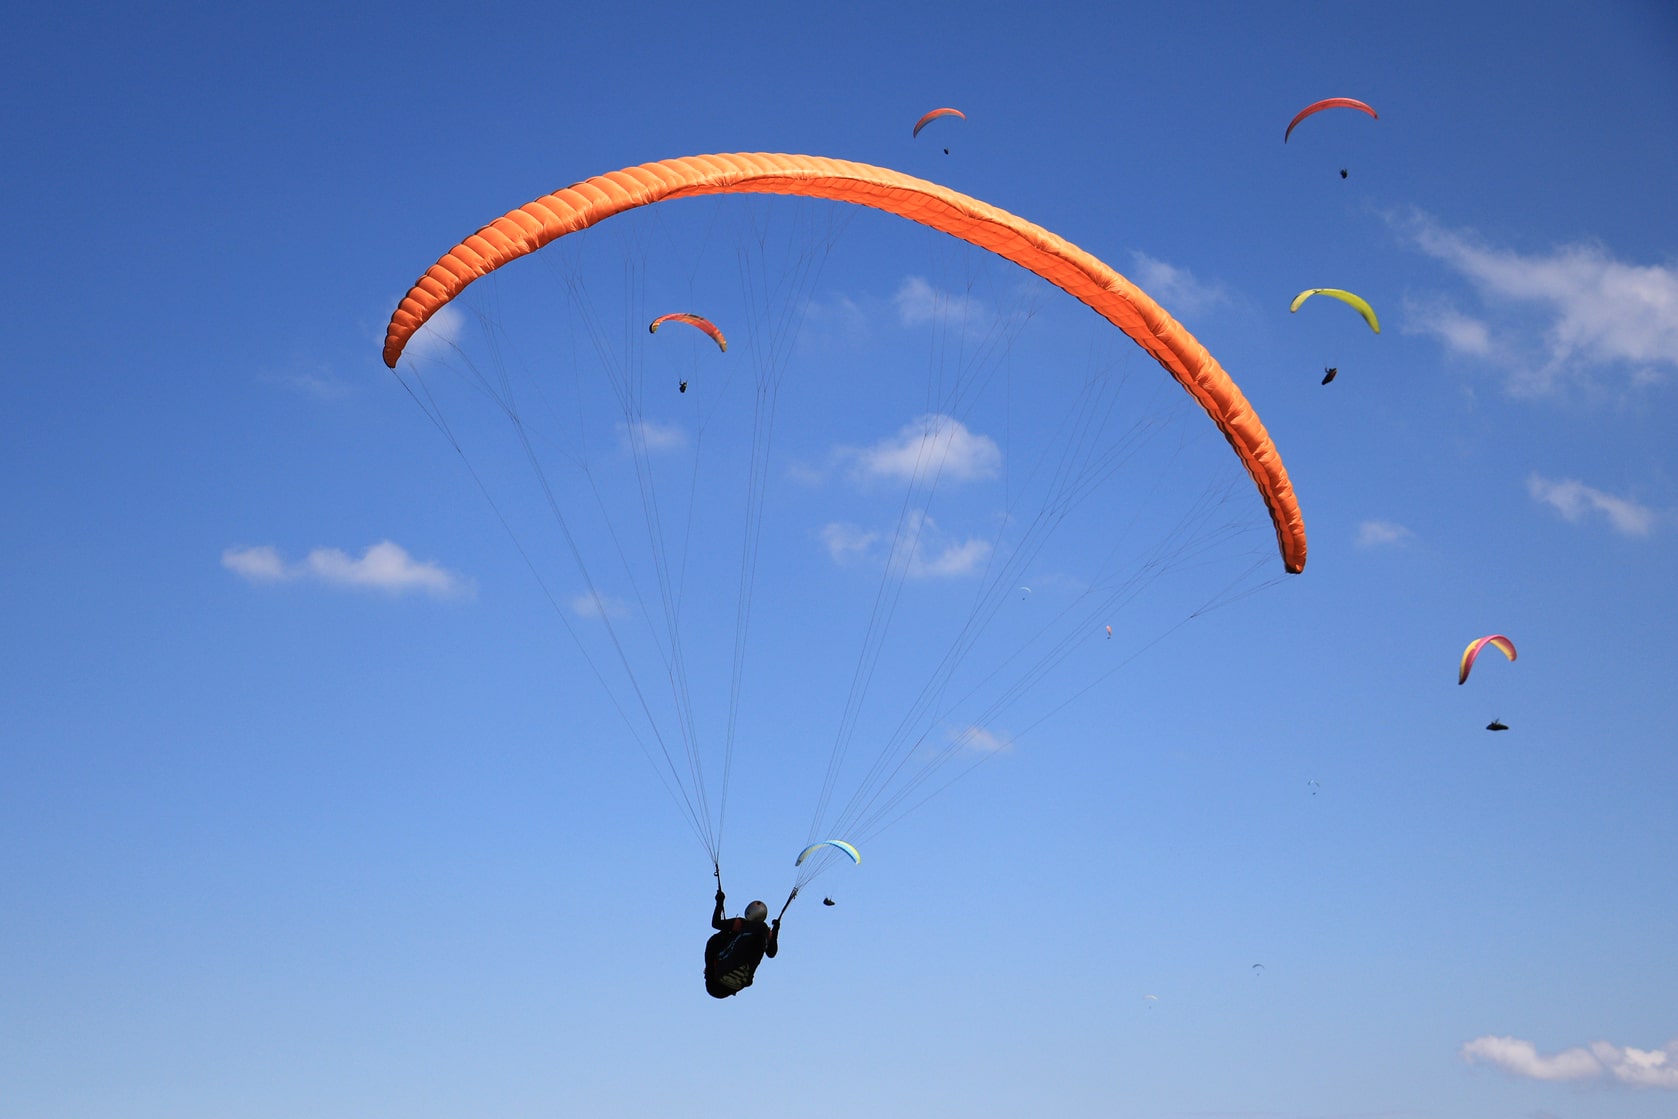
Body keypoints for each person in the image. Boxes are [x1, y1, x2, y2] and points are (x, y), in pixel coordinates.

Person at [704, 888, 779, 998]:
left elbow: (716, 923)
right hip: (736, 986)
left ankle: (711, 971)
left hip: (715, 983)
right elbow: (771, 953)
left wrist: (720, 901)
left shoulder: (741, 924)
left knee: (714, 940)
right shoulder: (766, 933)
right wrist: (776, 930)